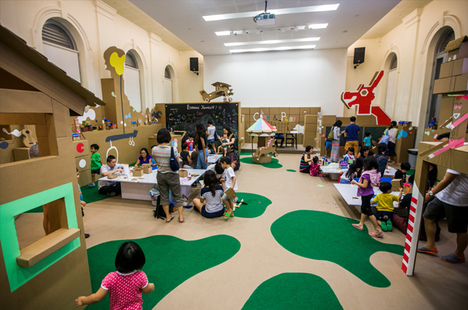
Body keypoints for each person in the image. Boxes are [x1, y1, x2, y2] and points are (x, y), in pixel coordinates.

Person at [75, 241, 154, 307]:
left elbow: (97, 297)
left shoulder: (110, 278)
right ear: (139, 261)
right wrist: (151, 286)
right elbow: (147, 290)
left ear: (119, 259)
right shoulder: (140, 276)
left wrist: (83, 300)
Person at [417, 169, 468, 263]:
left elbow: (448, 179)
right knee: (428, 216)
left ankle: (459, 254)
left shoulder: (460, 157)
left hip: (458, 199)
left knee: (460, 229)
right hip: (443, 195)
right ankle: (430, 245)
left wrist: (430, 194)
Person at [152, 128, 185, 223]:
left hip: (160, 174)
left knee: (164, 196)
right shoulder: (172, 149)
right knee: (177, 196)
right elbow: (178, 163)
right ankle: (181, 217)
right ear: (168, 137)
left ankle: (167, 216)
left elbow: (156, 161)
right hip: (172, 175)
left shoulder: (154, 149)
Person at [351, 156, 382, 238]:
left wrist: (355, 182)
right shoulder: (376, 173)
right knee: (364, 209)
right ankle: (361, 224)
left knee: (368, 211)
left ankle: (377, 230)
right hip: (370, 192)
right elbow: (378, 184)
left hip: (366, 193)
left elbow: (364, 185)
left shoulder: (367, 174)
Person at [77, 168, 90, 238]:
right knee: (78, 220)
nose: (78, 176)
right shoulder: (73, 185)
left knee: (80, 218)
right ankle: (80, 233)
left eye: (78, 174)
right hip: (77, 205)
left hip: (79, 205)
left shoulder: (77, 183)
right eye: (76, 175)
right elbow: (74, 197)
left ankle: (81, 232)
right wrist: (81, 202)